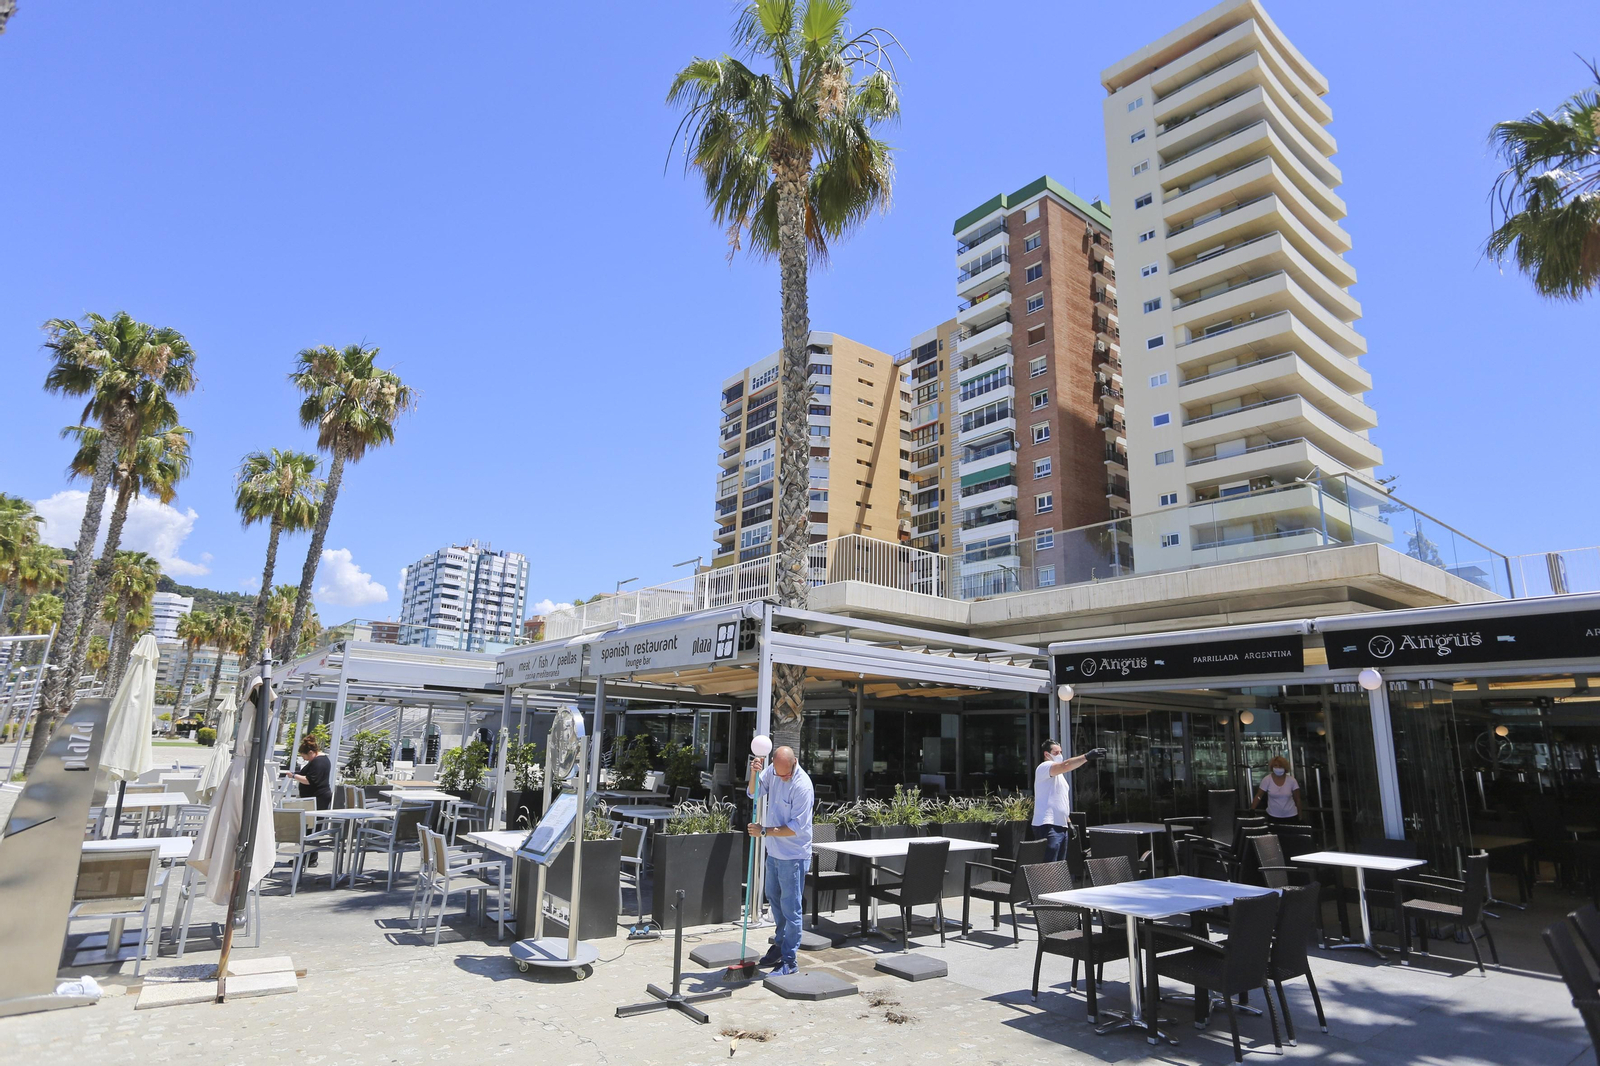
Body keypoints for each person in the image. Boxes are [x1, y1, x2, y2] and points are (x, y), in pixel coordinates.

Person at [747, 745, 813, 976]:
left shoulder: (802, 786)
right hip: (774, 852)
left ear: (795, 763)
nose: (782, 777)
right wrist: (754, 773)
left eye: (786, 774)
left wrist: (764, 831)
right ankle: (780, 944)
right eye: (778, 773)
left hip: (793, 855)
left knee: (791, 908)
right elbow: (753, 793)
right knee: (774, 899)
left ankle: (790, 960)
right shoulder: (773, 771)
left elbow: (796, 827)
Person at [1032, 739, 1106, 863]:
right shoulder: (1044, 767)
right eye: (1056, 753)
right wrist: (1087, 756)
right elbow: (1065, 765)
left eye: (1060, 752)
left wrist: (1069, 822)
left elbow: (1060, 801)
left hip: (1061, 825)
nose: (1060, 755)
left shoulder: (1059, 776)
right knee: (1049, 865)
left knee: (1060, 865)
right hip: (1048, 825)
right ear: (1046, 754)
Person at [289, 736, 334, 863]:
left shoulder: (318, 762)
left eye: (305, 756)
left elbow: (310, 780)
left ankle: (309, 857)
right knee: (311, 827)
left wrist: (293, 776)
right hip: (316, 797)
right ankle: (308, 856)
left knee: (312, 828)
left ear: (311, 752)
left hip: (317, 798)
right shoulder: (320, 760)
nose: (304, 759)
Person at [1252, 756, 1302, 825]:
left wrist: (1300, 816)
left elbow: (1297, 799)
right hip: (1273, 816)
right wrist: (1252, 809)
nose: (1278, 767)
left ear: (1285, 767)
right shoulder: (1267, 780)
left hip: (1291, 815)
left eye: (1280, 766)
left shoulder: (1292, 781)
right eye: (1275, 765)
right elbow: (1259, 796)